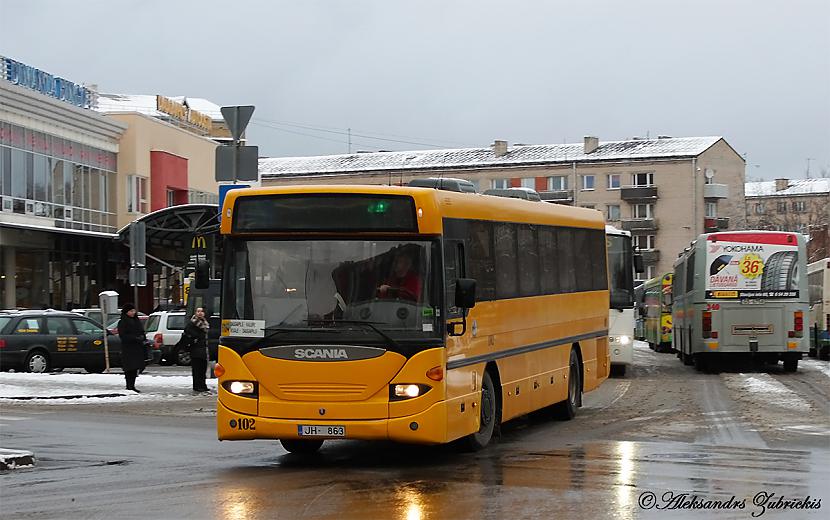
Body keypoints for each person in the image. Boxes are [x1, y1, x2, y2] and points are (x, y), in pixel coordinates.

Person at [117, 303, 146, 393]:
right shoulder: (123, 322)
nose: (133, 312)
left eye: (134, 311)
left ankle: (132, 385)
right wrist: (134, 338)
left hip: (137, 347)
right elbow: (123, 335)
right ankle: (129, 385)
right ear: (126, 312)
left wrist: (142, 337)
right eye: (131, 311)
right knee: (129, 367)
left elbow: (142, 331)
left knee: (135, 367)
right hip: (128, 348)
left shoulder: (136, 321)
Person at [183, 307, 210, 393]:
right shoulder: (192, 323)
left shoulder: (205, 323)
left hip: (203, 349)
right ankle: (197, 386)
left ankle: (203, 385)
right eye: (198, 311)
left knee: (203, 368)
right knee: (197, 368)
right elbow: (188, 333)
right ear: (195, 313)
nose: (200, 313)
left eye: (202, 311)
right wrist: (196, 338)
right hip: (195, 349)